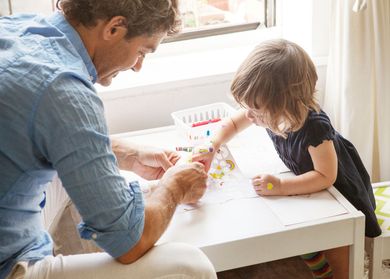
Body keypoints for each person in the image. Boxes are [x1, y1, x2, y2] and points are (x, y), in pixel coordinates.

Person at [0, 0, 217, 278]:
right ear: (114, 28)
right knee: (189, 266)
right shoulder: (65, 89)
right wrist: (175, 186)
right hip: (8, 263)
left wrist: (128, 153)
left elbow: (42, 131)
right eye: (142, 51)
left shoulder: (19, 28)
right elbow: (131, 245)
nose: (138, 66)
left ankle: (119, 208)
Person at [193, 39, 381, 279]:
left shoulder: (314, 129)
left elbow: (326, 175)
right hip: (308, 183)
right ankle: (315, 261)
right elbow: (232, 122)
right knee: (303, 227)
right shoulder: (269, 110)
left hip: (339, 192)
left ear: (285, 104)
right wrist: (212, 145)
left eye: (256, 111)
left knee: (335, 239)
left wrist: (281, 186)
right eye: (247, 107)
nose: (249, 115)